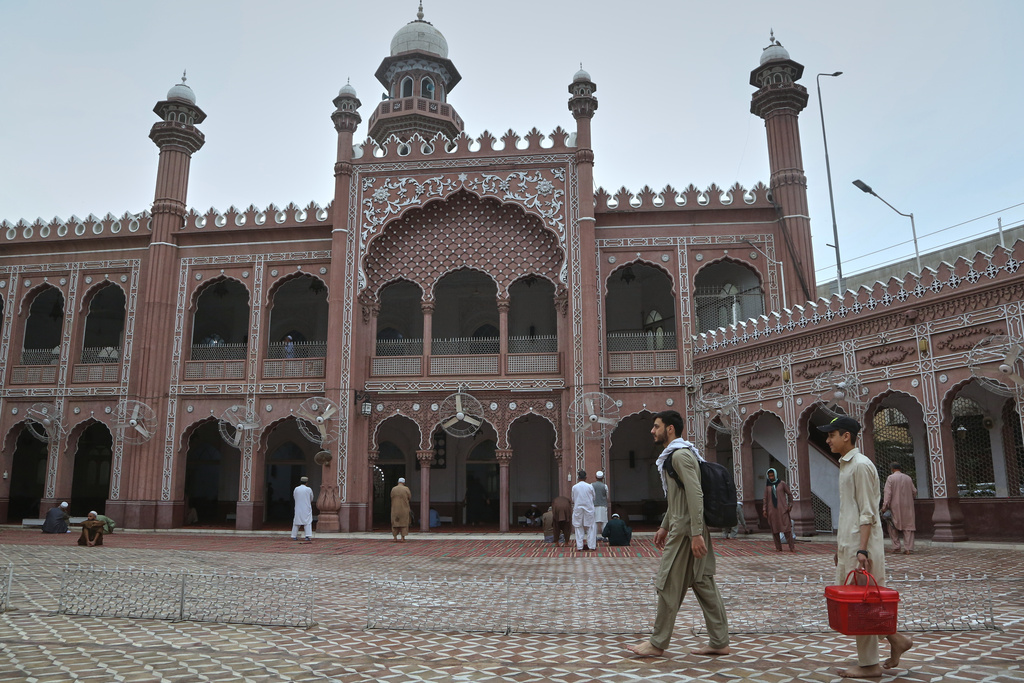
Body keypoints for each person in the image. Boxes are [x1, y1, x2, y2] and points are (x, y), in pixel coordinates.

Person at [627, 410, 729, 658]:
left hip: (686, 532)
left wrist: (695, 534)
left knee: (666, 584)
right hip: (687, 527)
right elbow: (677, 499)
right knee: (704, 583)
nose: (653, 431)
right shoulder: (676, 455)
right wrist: (664, 524)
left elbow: (695, 494)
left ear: (670, 429)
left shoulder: (680, 456)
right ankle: (719, 641)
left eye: (656, 426)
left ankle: (657, 642)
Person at [819, 415, 913, 678]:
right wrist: (844, 549)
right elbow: (850, 511)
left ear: (846, 436)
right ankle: (896, 640)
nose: (828, 440)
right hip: (852, 543)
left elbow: (868, 513)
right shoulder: (847, 465)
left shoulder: (859, 465)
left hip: (862, 546)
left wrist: (861, 550)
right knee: (863, 602)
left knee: (863, 604)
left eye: (831, 435)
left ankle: (870, 664)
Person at [882, 462, 917, 555]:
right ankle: (908, 548)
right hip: (908, 506)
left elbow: (888, 493)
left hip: (895, 506)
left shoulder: (890, 478)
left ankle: (896, 546)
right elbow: (914, 491)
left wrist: (885, 506)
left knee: (892, 526)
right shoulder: (908, 478)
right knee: (909, 526)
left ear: (892, 469)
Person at [762, 467, 795, 552]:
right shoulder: (767, 486)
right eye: (769, 476)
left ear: (775, 475)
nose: (771, 477)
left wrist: (790, 505)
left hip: (782, 510)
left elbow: (789, 494)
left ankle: (792, 547)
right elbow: (765, 498)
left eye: (772, 475)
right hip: (772, 511)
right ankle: (778, 547)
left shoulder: (782, 484)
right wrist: (764, 509)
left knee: (786, 529)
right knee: (775, 530)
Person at [571, 470, 596, 551]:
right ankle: (591, 546)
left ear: (578, 478)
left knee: (578, 527)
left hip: (578, 508)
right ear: (586, 478)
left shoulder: (574, 487)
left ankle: (579, 547)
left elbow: (573, 498)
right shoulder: (590, 486)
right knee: (591, 527)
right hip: (589, 508)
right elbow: (594, 497)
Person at [291, 476, 314, 542]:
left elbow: (294, 497)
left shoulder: (296, 489)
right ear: (306, 482)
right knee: (308, 522)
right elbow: (311, 498)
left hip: (298, 507)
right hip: (306, 507)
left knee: (296, 521)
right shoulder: (308, 489)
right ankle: (307, 535)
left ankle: (294, 536)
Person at [390, 477, 412, 541]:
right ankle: (403, 537)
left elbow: (391, 497)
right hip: (404, 509)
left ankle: (395, 537)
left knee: (395, 523)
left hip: (395, 509)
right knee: (404, 523)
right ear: (404, 483)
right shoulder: (406, 489)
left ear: (398, 482)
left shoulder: (393, 489)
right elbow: (409, 497)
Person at [593, 470, 609, 538]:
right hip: (603, 506)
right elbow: (607, 497)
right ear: (602, 478)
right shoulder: (605, 486)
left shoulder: (591, 485)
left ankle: (594, 536)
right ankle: (604, 536)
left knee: (594, 522)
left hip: (594, 506)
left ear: (595, 477)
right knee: (604, 522)